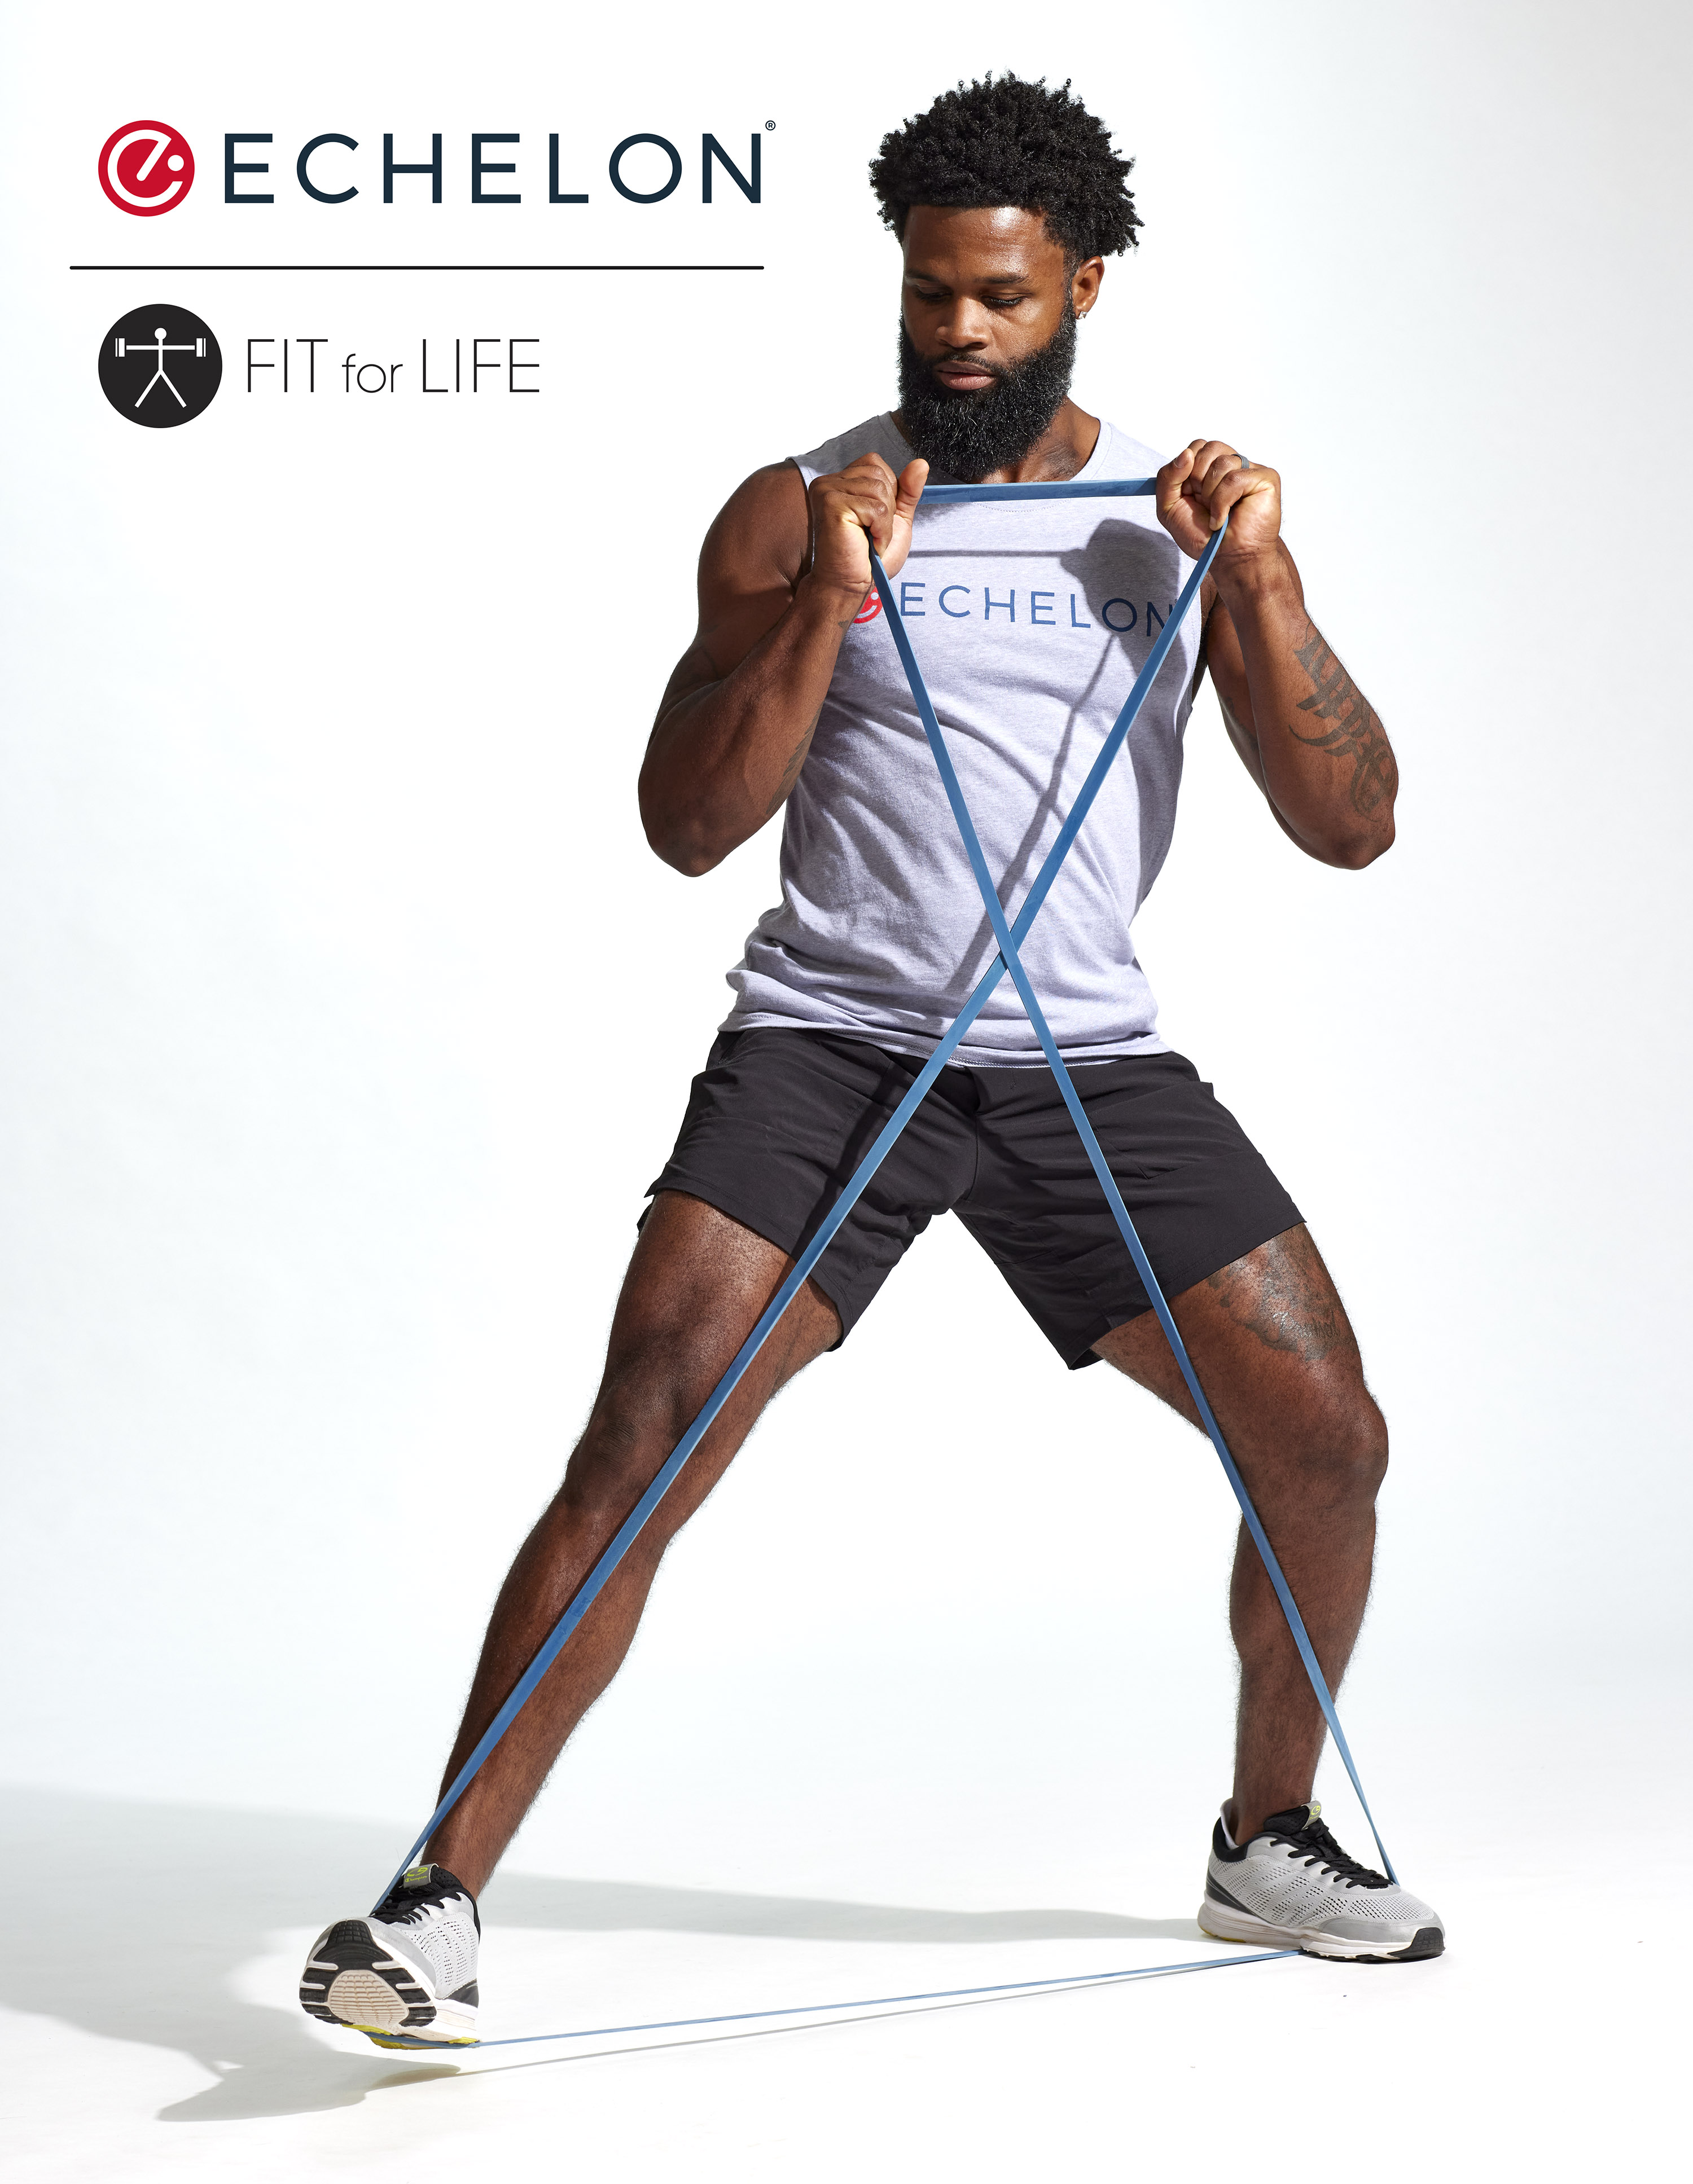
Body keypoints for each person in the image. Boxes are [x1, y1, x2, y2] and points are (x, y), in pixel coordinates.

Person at [299, 73, 1442, 2048]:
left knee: (1327, 1442)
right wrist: (832, 596)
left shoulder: (1171, 519)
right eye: (930, 298)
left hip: (1084, 1066)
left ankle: (1268, 1837)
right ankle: (431, 1905)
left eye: (1000, 298)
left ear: (1085, 281)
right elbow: (685, 822)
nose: (961, 336)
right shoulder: (797, 502)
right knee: (643, 1439)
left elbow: (1355, 827)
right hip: (831, 1048)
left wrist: (1258, 577)